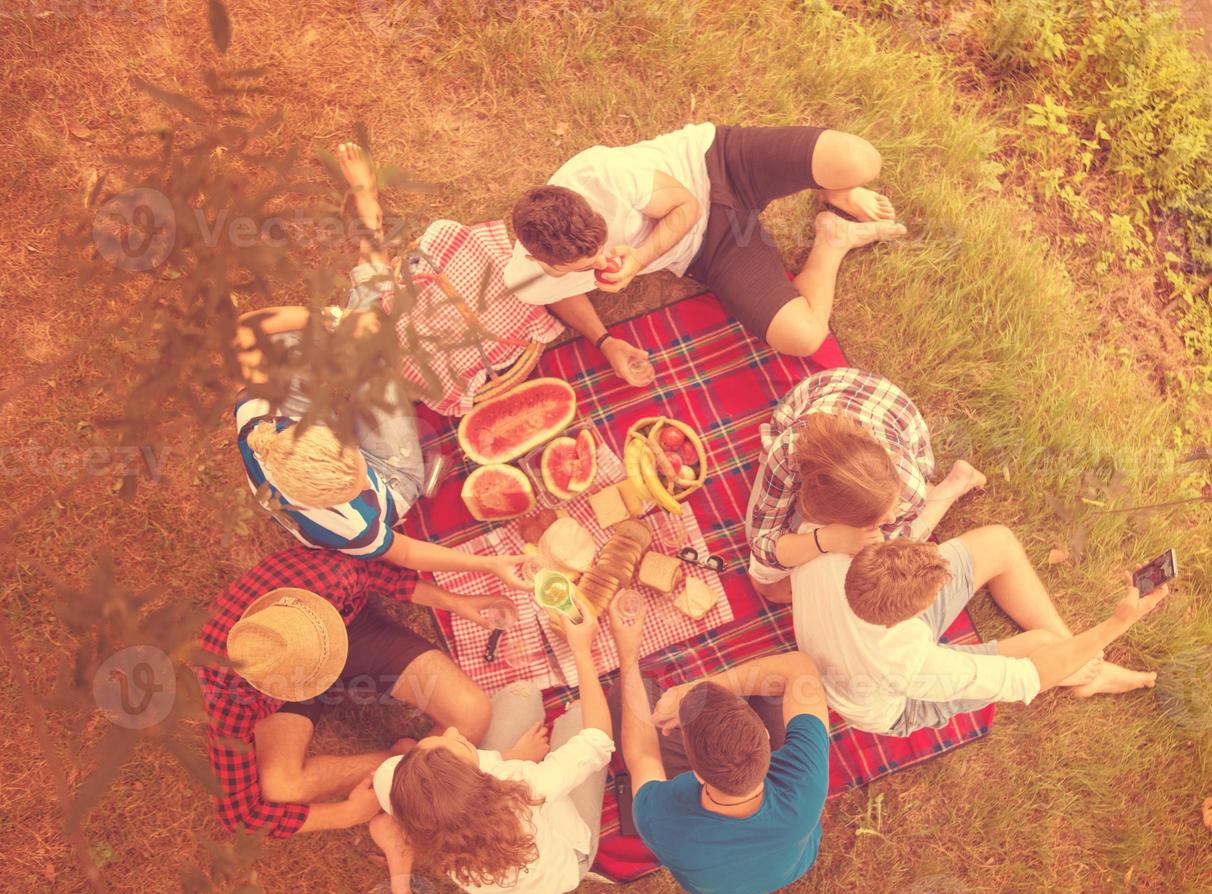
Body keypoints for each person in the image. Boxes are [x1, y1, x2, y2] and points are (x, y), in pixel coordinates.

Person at [231, 143, 531, 584]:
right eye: (355, 480)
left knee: (358, 320)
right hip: (392, 474)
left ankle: (364, 201)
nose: (358, 472)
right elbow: (406, 551)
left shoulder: (259, 417)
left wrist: (335, 321)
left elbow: (246, 330)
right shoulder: (347, 527)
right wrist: (490, 566)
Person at [503, 123, 907, 363]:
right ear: (548, 263)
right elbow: (555, 293)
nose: (605, 258)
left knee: (860, 160)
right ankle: (833, 240)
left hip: (715, 162)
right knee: (803, 338)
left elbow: (686, 205)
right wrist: (606, 343)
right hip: (710, 248)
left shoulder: (605, 174)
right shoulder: (529, 276)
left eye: (603, 244)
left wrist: (640, 256)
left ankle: (834, 191)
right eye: (589, 265)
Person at [197, 546, 511, 838]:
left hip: (351, 632)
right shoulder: (229, 692)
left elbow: (383, 574)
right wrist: (347, 813)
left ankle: (409, 766)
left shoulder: (329, 576)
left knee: (472, 713)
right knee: (282, 787)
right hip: (282, 684)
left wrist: (455, 601)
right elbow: (239, 815)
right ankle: (402, 764)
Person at [790, 531, 1164, 737]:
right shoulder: (913, 664)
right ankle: (1091, 673)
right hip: (895, 703)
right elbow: (1027, 677)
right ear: (912, 618)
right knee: (1043, 648)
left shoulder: (830, 541)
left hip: (857, 638)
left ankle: (1083, 664)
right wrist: (1118, 623)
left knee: (1000, 543)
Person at [367, 599, 614, 894]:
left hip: (502, 872)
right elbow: (599, 741)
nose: (454, 731)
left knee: (519, 693)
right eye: (455, 743)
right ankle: (574, 713)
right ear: (476, 777)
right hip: (567, 862)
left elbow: (392, 778)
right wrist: (581, 650)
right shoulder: (526, 788)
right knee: (581, 718)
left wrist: (512, 754)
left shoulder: (408, 793)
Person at [612, 596, 831, 894]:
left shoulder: (660, 817)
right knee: (773, 684)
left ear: (696, 772)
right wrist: (707, 688)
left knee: (623, 695)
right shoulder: (806, 780)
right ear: (765, 735)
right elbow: (800, 668)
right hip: (793, 864)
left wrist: (628, 657)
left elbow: (641, 757)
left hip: (719, 892)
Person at [744, 368, 986, 603]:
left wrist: (876, 540)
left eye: (889, 509)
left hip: (895, 414)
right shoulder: (788, 452)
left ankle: (956, 484)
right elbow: (761, 539)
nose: (891, 516)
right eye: (876, 517)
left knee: (896, 543)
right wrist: (825, 540)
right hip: (826, 396)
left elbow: (883, 552)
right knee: (768, 584)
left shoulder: (909, 487)